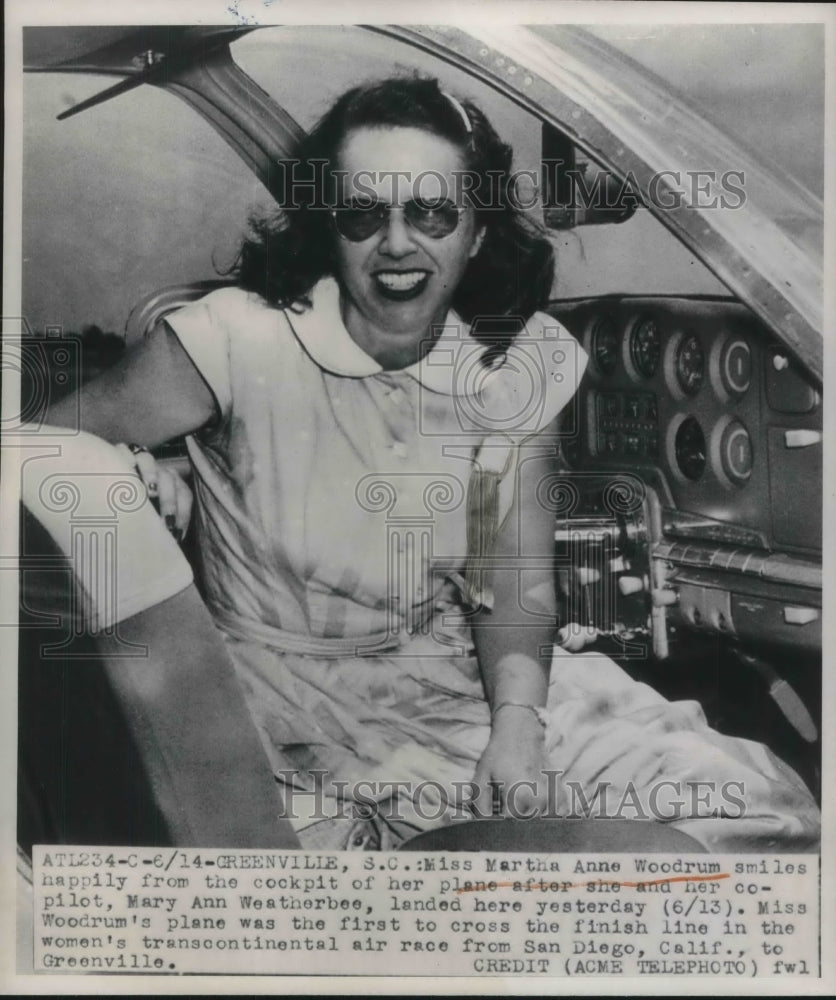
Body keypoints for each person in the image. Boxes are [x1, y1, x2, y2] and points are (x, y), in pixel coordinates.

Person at [40, 77, 819, 852]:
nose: (398, 242)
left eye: (433, 211)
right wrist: (134, 475)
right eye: (364, 212)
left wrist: (517, 728)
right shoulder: (229, 339)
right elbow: (37, 451)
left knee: (756, 812)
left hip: (460, 676)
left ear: (477, 231)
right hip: (268, 700)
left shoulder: (518, 363)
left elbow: (513, 574)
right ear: (327, 225)